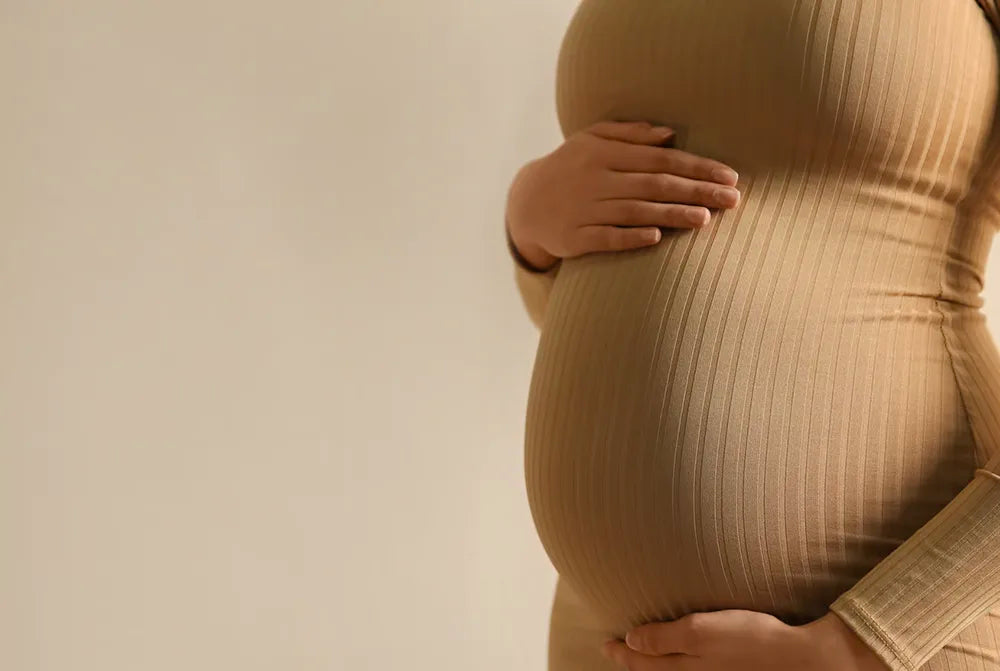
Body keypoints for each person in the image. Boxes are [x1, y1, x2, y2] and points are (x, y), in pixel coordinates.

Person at [505, 1, 1000, 669]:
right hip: (603, 636)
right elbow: (603, 303)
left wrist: (867, 644)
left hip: (892, 627)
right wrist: (532, 230)